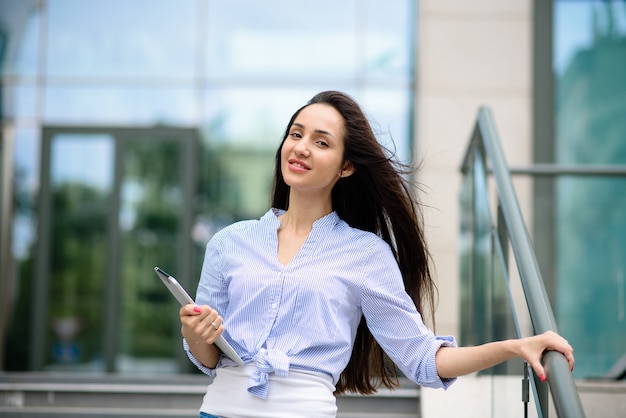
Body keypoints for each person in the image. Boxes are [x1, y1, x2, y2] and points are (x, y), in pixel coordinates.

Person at [179, 90, 575, 418]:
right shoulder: (230, 242)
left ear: (346, 166)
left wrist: (514, 346)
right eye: (295, 134)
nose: (300, 148)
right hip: (219, 410)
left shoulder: (366, 254)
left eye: (321, 142)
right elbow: (208, 359)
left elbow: (422, 359)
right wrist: (194, 334)